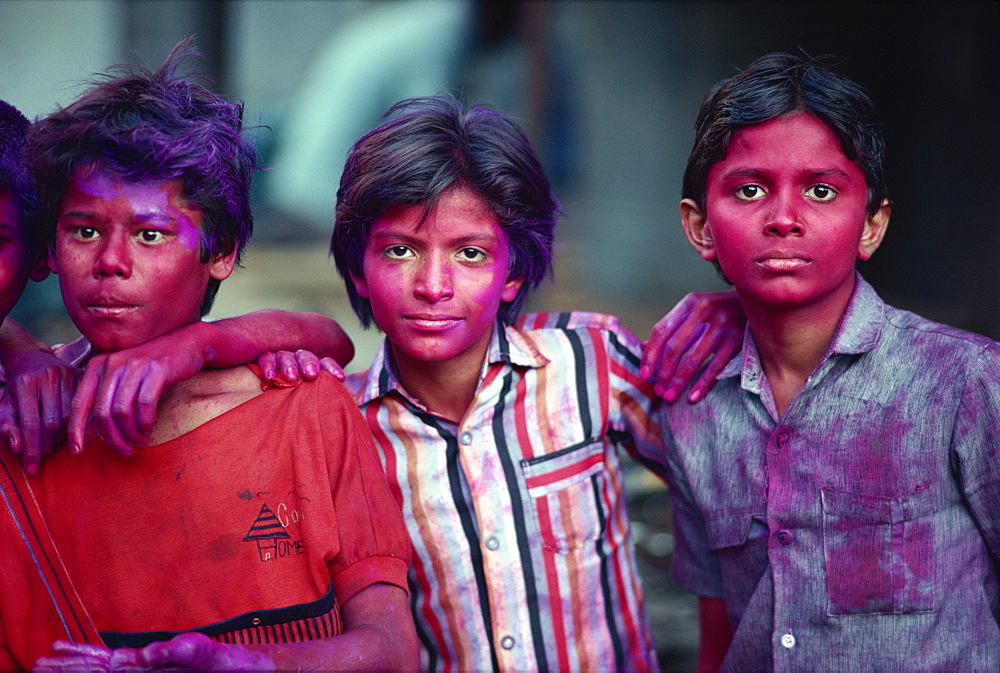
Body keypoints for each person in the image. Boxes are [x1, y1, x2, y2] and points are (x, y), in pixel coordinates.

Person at [0, 43, 417, 670]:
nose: (111, 263)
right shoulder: (26, 424)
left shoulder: (303, 410)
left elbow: (390, 651)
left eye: (150, 234)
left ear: (219, 251)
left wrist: (253, 667)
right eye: (84, 230)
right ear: (50, 249)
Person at [290, 93, 740, 672]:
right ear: (358, 266)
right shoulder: (345, 426)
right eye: (400, 251)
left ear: (515, 271)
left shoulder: (588, 362)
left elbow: (728, 488)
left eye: (470, 254)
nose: (432, 285)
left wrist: (743, 310)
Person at [658, 52, 1000, 671]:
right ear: (700, 225)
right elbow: (717, 636)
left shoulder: (965, 384)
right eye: (749, 189)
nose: (784, 219)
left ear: (871, 225)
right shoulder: (693, 407)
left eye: (821, 190)